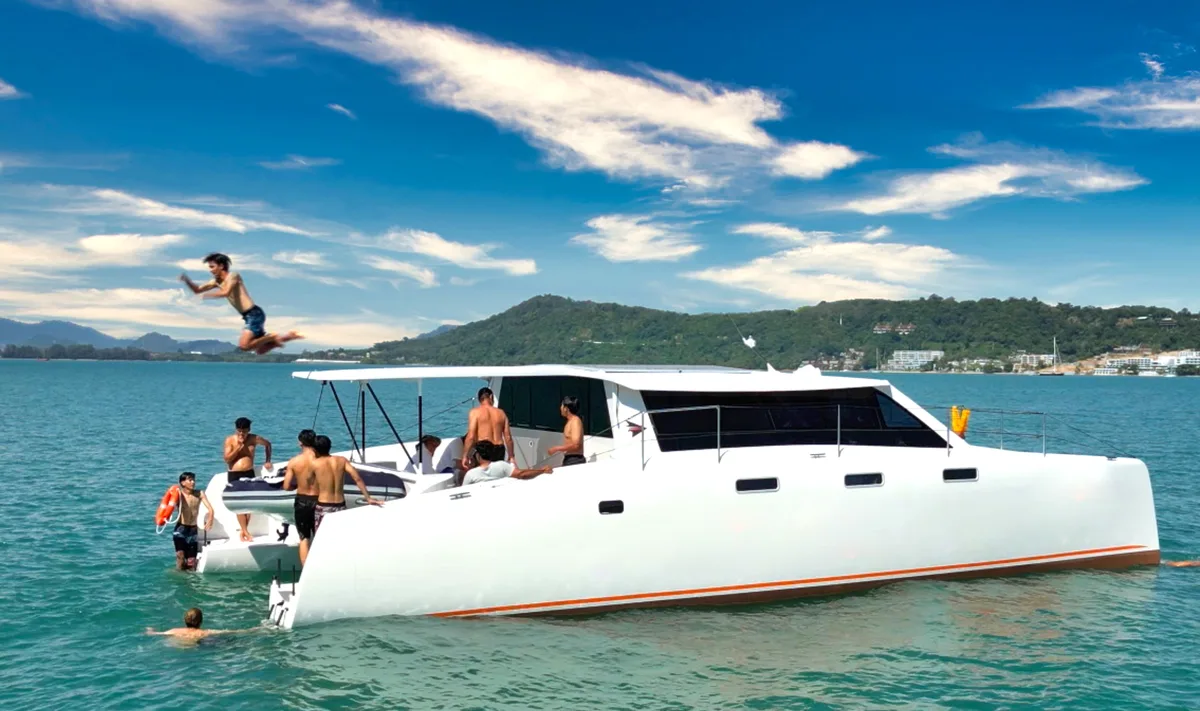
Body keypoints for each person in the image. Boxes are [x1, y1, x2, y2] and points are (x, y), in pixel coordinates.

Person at [180, 252, 303, 355]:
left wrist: (206, 295)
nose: (210, 270)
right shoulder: (216, 282)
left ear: (221, 266)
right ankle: (289, 336)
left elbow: (226, 292)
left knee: (244, 346)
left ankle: (271, 337)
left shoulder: (233, 276)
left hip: (254, 314)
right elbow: (197, 290)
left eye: (212, 267)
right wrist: (187, 280)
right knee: (260, 350)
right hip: (248, 316)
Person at [311, 434, 381, 537]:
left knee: (322, 537)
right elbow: (357, 478)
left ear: (315, 450)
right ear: (330, 446)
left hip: (324, 506)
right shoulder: (342, 460)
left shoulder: (314, 464)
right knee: (339, 536)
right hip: (340, 505)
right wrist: (368, 498)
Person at [223, 417, 273, 542]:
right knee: (239, 504)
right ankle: (245, 531)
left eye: (244, 431)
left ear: (249, 430)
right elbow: (227, 459)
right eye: (239, 431)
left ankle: (243, 531)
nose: (241, 434)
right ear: (236, 430)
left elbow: (268, 444)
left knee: (249, 503)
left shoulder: (254, 439)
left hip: (249, 472)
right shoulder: (230, 440)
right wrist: (239, 448)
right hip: (234, 474)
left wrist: (267, 460)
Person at [462, 387, 515, 485]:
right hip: (499, 449)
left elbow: (471, 436)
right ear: (491, 397)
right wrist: (511, 456)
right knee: (498, 478)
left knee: (481, 478)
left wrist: (465, 455)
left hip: (483, 450)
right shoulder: (501, 413)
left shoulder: (475, 412)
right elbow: (508, 438)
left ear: (479, 400)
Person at [282, 429, 318, 565]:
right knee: (320, 536)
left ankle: (305, 570)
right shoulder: (322, 460)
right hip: (320, 500)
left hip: (302, 500)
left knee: (304, 538)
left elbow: (286, 486)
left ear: (300, 443)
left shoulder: (294, 461)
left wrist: (297, 485)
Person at [462, 440, 551, 485]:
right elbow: (522, 474)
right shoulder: (502, 466)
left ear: (478, 456)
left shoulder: (470, 474)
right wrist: (542, 471)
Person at [173, 472, 214, 571]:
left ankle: (190, 578)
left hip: (193, 529)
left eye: (194, 480)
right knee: (180, 556)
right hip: (180, 528)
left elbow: (210, 509)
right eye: (190, 480)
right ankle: (179, 576)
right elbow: (169, 506)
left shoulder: (199, 493)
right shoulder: (179, 494)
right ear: (183, 483)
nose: (193, 482)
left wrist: (210, 519)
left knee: (191, 562)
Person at [145, 608, 246, 643]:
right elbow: (230, 631)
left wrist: (150, 630)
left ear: (184, 620)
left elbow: (155, 634)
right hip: (194, 646)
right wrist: (252, 630)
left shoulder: (174, 630)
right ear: (201, 622)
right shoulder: (204, 632)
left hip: (177, 644)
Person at [547, 395, 586, 466]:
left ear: (566, 408)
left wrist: (557, 448)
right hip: (569, 459)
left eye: (562, 406)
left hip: (575, 460)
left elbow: (576, 445)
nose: (560, 408)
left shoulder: (575, 421)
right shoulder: (570, 421)